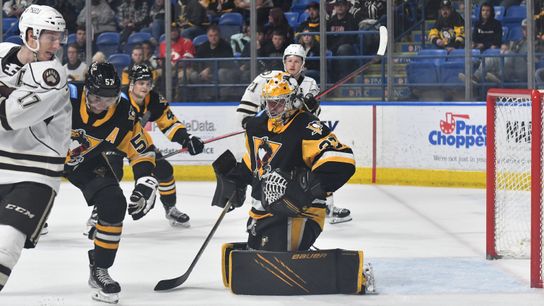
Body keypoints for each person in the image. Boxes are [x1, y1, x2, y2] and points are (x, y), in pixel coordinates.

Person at [214, 72, 373, 294]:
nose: (272, 109)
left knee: (271, 260)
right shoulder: (256, 125)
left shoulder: (306, 125)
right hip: (263, 213)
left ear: (292, 101)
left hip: (302, 212)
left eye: (278, 103)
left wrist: (308, 186)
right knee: (260, 256)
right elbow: (254, 164)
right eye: (268, 103)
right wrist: (236, 179)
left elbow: (343, 159)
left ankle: (356, 270)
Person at [65, 62, 159, 303]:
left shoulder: (124, 113)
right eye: (96, 98)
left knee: (114, 203)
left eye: (109, 99)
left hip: (84, 161)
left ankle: (100, 269)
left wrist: (146, 180)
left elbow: (142, 149)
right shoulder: (64, 96)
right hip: (41, 157)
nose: (101, 105)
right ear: (86, 90)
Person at [236, 44, 353, 224]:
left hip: (293, 139)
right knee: (264, 171)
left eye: (297, 61)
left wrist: (310, 107)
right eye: (289, 60)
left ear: (303, 63)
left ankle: (324, 203)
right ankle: (259, 209)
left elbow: (311, 119)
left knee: (313, 165)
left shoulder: (309, 84)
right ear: (283, 61)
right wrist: (257, 126)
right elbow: (245, 112)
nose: (292, 65)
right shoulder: (266, 79)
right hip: (272, 136)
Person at [0, 5, 71, 291]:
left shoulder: (52, 76)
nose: (57, 45)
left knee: (5, 248)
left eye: (59, 37)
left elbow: (9, 117)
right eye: (50, 37)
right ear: (30, 35)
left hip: (35, 175)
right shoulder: (3, 50)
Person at [98, 64, 205, 228]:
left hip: (137, 141)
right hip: (112, 141)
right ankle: (98, 214)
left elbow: (170, 124)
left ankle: (170, 209)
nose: (145, 87)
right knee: (112, 174)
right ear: (132, 83)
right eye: (141, 83)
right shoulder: (117, 98)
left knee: (165, 171)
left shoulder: (154, 100)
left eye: (148, 83)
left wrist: (186, 139)